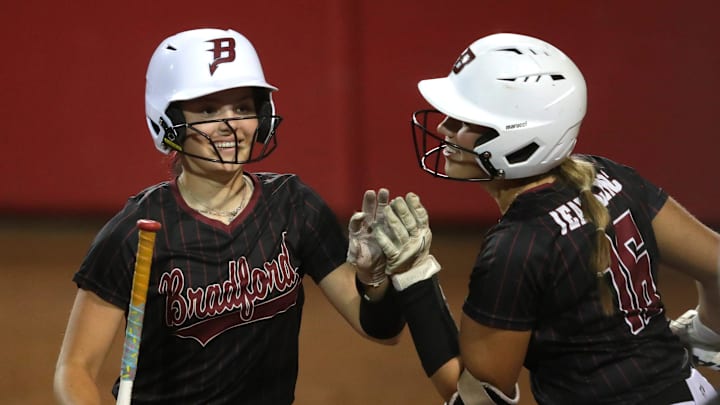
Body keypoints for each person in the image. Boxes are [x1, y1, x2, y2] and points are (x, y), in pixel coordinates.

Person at [53, 27, 433, 404]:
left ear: (263, 118)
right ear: (167, 123)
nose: (229, 124)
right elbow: (75, 369)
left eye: (243, 108)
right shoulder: (138, 231)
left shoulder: (294, 207)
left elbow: (384, 331)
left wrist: (375, 280)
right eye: (207, 110)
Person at [372, 32, 720, 404]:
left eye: (463, 120)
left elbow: (477, 399)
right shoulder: (610, 177)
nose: (443, 129)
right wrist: (703, 334)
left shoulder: (518, 244)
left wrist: (414, 276)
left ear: (516, 136)